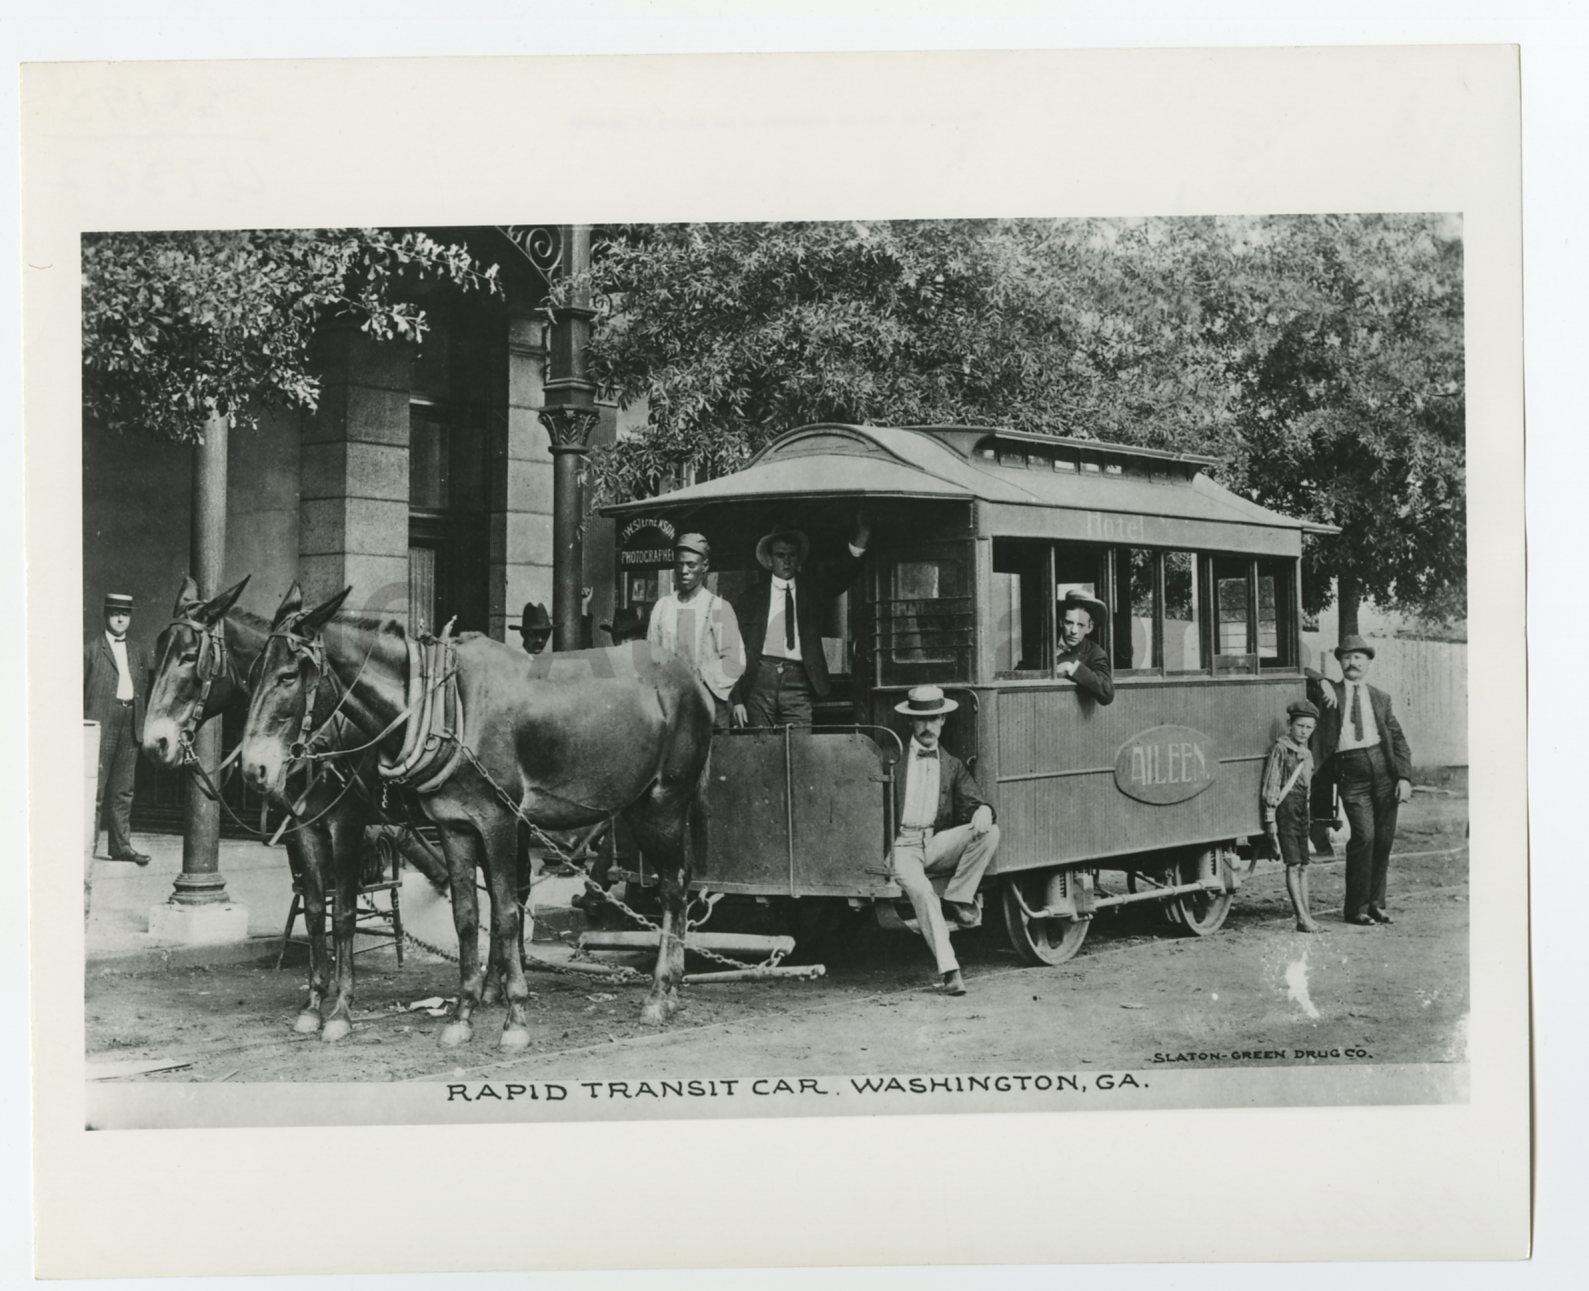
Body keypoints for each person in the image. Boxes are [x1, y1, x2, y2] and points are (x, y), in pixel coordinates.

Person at [888, 685, 1001, 997]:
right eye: (920, 720)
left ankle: (959, 898)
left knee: (990, 830)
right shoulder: (891, 760)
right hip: (901, 848)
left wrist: (982, 810)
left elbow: (973, 800)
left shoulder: (950, 764)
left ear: (942, 721)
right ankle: (950, 970)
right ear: (911, 722)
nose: (927, 727)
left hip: (933, 843)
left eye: (933, 719)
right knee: (923, 893)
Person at [1306, 635, 1414, 926]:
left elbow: (1398, 739)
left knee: (1383, 839)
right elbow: (1302, 670)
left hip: (1384, 772)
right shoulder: (1330, 692)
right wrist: (1321, 681)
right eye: (1347, 657)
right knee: (1364, 837)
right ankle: (1356, 909)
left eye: (1358, 658)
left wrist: (1404, 776)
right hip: (1350, 774)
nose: (1352, 663)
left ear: (1367, 663)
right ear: (1340, 661)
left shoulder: (1381, 698)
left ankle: (1376, 904)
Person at [731, 514, 872, 728]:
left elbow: (842, 575)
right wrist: (738, 700)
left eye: (791, 555)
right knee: (760, 748)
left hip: (798, 682)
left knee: (799, 749)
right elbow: (733, 649)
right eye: (780, 555)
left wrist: (862, 537)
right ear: (769, 560)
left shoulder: (812, 590)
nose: (786, 560)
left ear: (798, 559)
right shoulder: (751, 599)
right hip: (759, 682)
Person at [646, 533, 745, 731]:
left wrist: (699, 676)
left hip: (709, 706)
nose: (684, 571)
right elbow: (650, 656)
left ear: (705, 566)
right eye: (679, 564)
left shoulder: (718, 608)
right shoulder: (662, 607)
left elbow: (735, 661)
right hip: (670, 705)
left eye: (691, 565)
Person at [84, 591, 152, 865]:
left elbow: (143, 688)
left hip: (130, 722)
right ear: (106, 616)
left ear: (130, 617)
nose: (120, 618)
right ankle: (86, 847)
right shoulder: (91, 649)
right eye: (115, 613)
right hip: (101, 723)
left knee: (124, 790)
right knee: (95, 791)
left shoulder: (137, 651)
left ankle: (121, 847)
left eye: (125, 614)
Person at [1262, 700, 1322, 933]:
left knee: (1304, 864)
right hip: (1285, 809)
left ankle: (1307, 916)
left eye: (1308, 727)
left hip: (1301, 809)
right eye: (1300, 726)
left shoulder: (1306, 752)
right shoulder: (1281, 748)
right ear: (1290, 724)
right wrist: (1270, 821)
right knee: (1293, 863)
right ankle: (1301, 917)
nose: (1304, 731)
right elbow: (1272, 784)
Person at [1055, 590, 1115, 704]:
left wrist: (1071, 668)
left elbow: (1107, 693)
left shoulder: (1095, 653)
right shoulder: (1044, 647)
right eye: (1069, 622)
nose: (1074, 631)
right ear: (1060, 622)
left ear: (1089, 627)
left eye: (1080, 625)